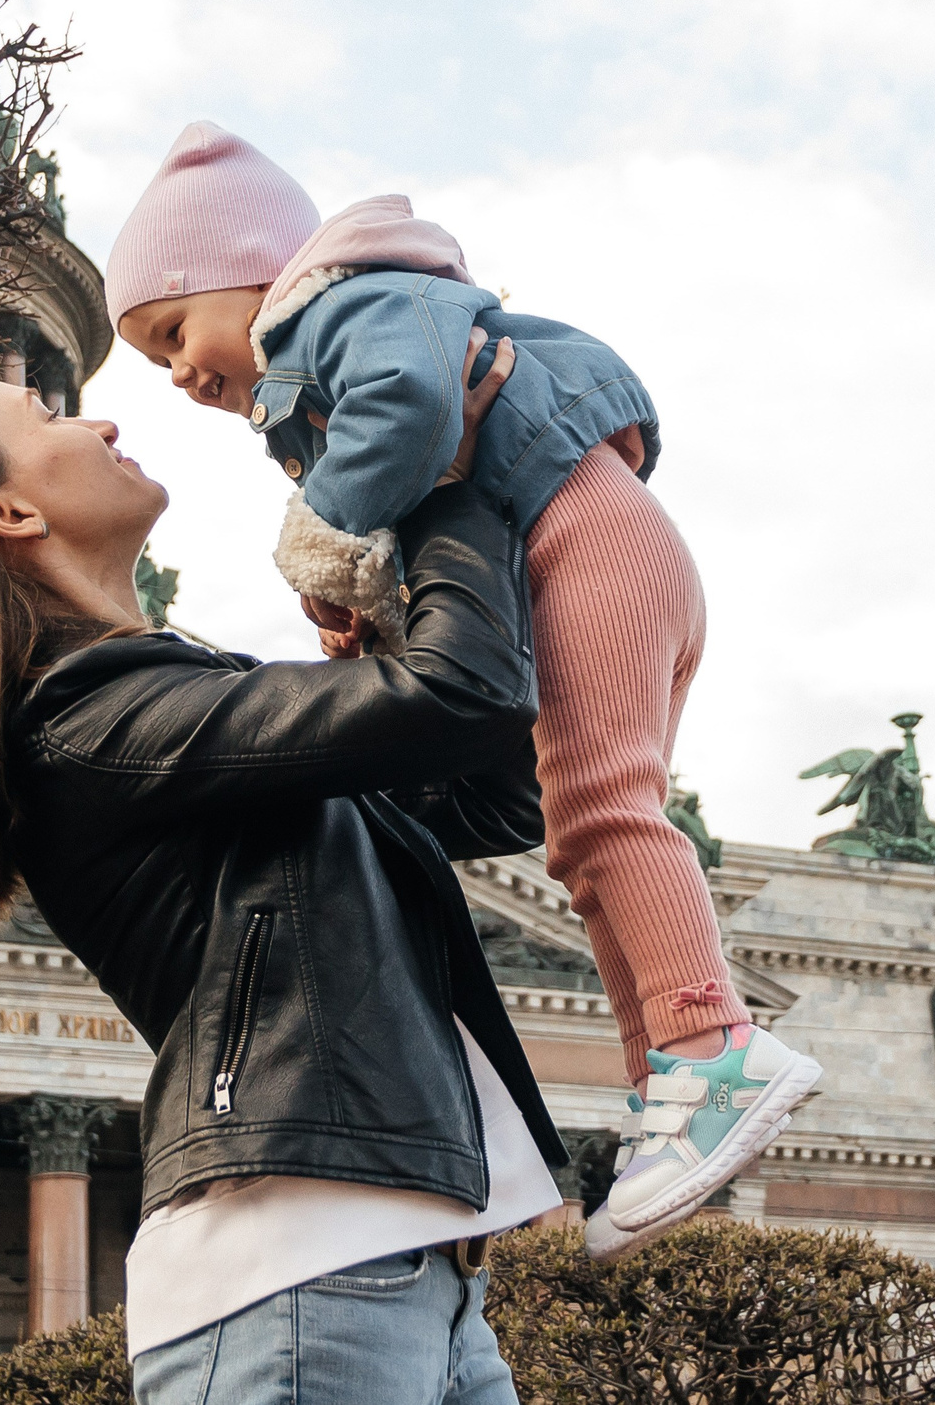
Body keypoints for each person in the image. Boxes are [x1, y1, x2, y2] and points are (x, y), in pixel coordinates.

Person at [0, 364, 562, 1404]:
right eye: (47, 415)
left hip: (402, 1277)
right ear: (9, 511)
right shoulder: (83, 724)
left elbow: (492, 803)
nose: (99, 415)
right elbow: (461, 697)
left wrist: (387, 648)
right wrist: (440, 474)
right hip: (302, 1282)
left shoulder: (156, 705)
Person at [106, 122, 822, 1258]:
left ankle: (710, 1045)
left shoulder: (347, 310)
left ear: (253, 275)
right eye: (154, 362)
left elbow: (407, 404)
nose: (180, 372)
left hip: (584, 545)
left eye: (174, 331)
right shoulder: (322, 356)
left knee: (605, 810)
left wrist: (323, 537)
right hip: (580, 551)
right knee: (583, 849)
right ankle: (668, 1090)